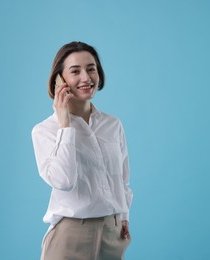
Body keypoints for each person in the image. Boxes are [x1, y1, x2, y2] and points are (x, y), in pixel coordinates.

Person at [31, 41, 133, 260]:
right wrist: (65, 125)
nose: (86, 78)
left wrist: (123, 217)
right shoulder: (44, 131)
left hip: (112, 233)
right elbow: (64, 180)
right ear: (60, 80)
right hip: (71, 235)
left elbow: (122, 179)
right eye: (75, 71)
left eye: (91, 69)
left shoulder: (113, 125)